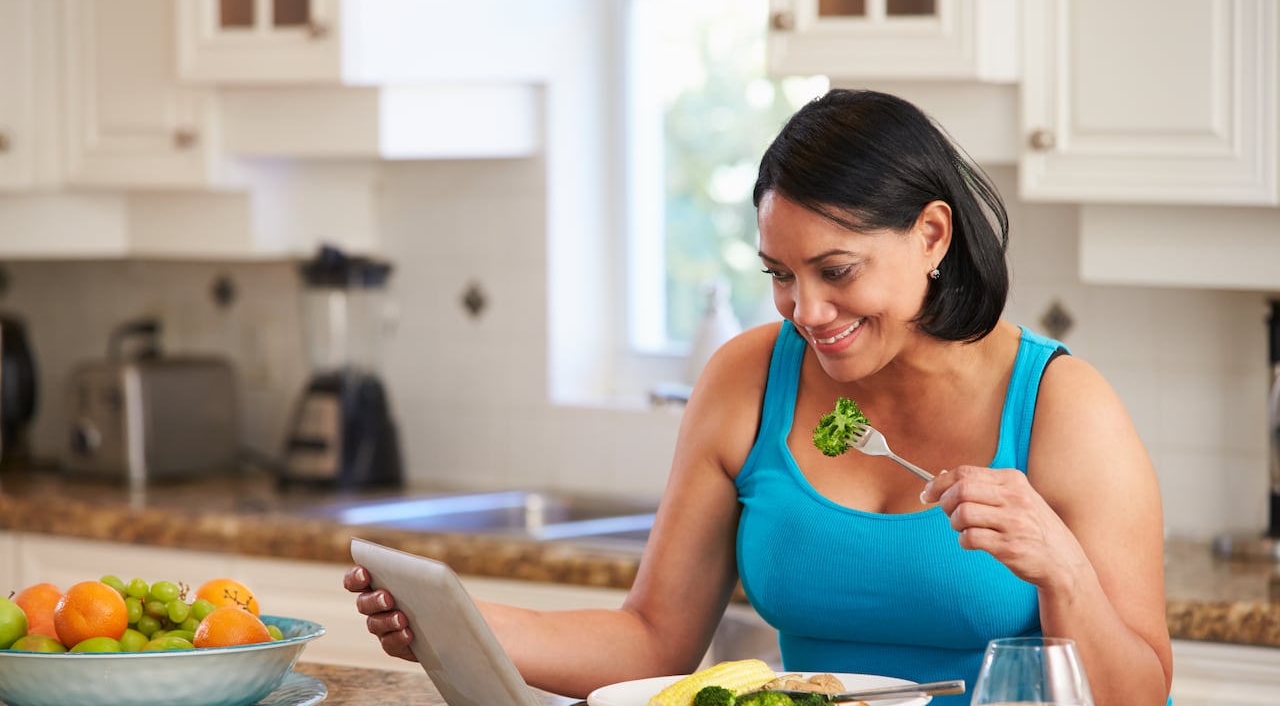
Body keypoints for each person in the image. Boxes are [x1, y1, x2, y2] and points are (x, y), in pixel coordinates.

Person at [344, 89, 1173, 705]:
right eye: (781, 275)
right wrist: (454, 622)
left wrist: (1062, 567)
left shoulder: (1063, 407)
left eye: (836, 271)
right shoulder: (747, 380)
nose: (806, 312)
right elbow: (652, 640)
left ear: (932, 235)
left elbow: (1141, 692)